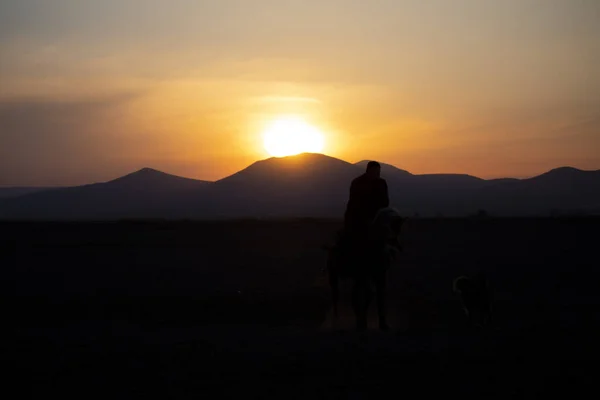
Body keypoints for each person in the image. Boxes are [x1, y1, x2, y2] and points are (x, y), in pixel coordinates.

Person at [342, 161, 391, 331]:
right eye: (374, 171)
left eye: (378, 172)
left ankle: (382, 320)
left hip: (375, 220)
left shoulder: (381, 183)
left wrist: (377, 216)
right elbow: (354, 204)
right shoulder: (357, 183)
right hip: (358, 221)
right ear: (368, 171)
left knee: (390, 235)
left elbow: (385, 202)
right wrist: (364, 218)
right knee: (348, 240)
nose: (376, 174)